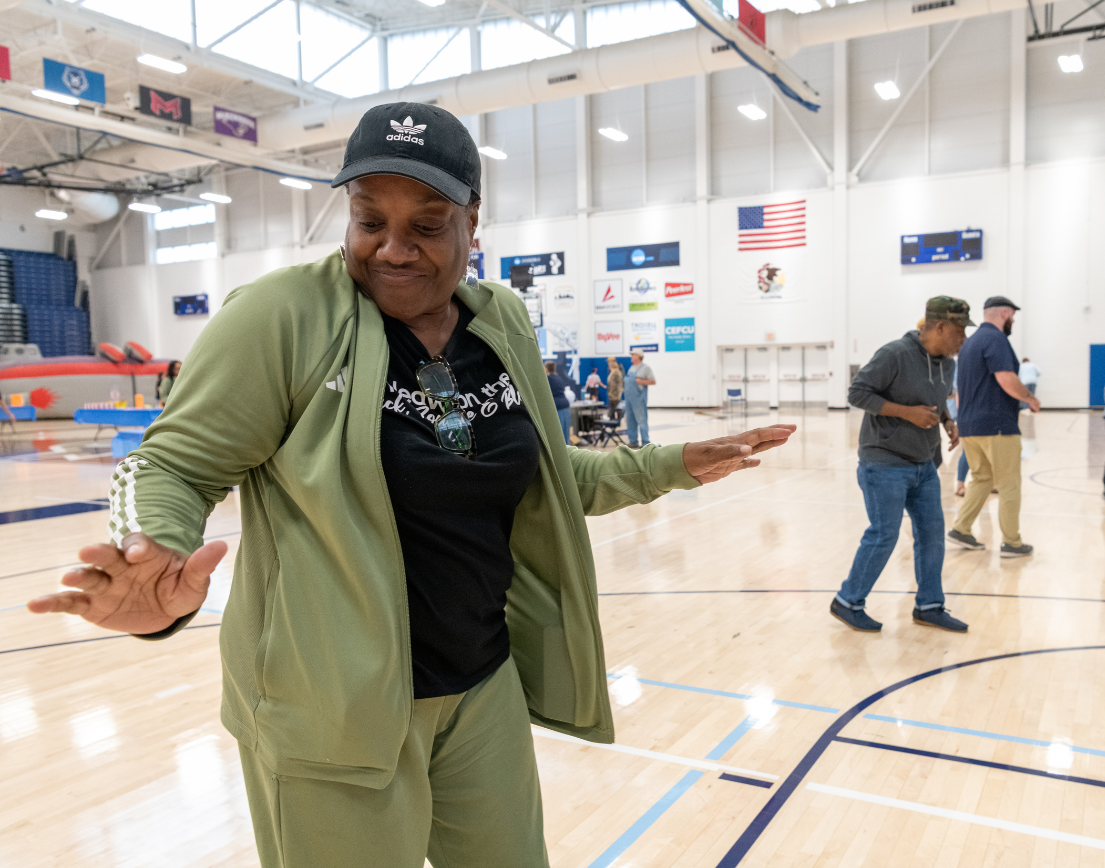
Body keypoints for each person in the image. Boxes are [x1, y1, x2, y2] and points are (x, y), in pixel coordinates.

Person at [26, 101, 797, 868]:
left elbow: (541, 476)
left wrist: (671, 464)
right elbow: (171, 462)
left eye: (426, 226)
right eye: (369, 221)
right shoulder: (281, 318)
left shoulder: (499, 322)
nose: (394, 249)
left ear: (472, 220)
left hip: (480, 684)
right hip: (331, 711)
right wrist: (155, 541)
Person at [831, 297, 973, 633]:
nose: (963, 339)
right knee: (884, 535)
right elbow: (857, 394)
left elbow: (937, 400)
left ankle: (929, 605)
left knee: (932, 536)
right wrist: (906, 412)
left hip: (925, 464)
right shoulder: (894, 354)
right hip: (884, 462)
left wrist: (947, 420)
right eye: (959, 330)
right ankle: (848, 600)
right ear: (939, 326)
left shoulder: (948, 364)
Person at [948, 296, 1039, 558]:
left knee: (982, 478)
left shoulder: (969, 343)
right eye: (1012, 316)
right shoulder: (996, 339)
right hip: (997, 424)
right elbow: (1006, 378)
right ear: (1004, 313)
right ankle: (1012, 542)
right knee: (1009, 483)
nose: (1012, 321)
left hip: (969, 425)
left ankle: (961, 528)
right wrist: (1030, 398)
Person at [624, 349, 656, 448]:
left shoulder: (645, 368)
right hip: (629, 399)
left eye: (633, 354)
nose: (631, 356)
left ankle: (645, 442)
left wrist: (640, 381)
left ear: (638, 356)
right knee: (630, 421)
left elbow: (653, 381)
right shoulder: (631, 368)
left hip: (638, 399)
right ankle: (633, 441)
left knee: (642, 421)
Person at [545, 360, 575, 444]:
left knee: (559, 433)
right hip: (565, 405)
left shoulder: (548, 379)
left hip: (558, 406)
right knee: (565, 432)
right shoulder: (558, 378)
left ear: (546, 368)